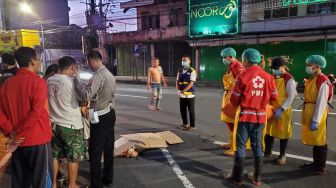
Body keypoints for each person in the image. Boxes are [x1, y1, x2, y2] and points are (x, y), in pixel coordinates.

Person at [0, 47, 53, 188]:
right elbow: (35, 113)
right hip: (37, 139)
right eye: (38, 58)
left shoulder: (7, 84)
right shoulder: (37, 82)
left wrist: (11, 132)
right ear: (32, 61)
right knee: (41, 182)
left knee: (20, 181)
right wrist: (18, 135)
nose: (40, 61)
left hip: (17, 142)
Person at [226, 48, 278, 186]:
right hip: (261, 117)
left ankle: (237, 178)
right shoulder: (268, 77)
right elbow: (274, 97)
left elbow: (234, 100)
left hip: (245, 117)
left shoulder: (242, 77)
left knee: (241, 146)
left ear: (245, 60)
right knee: (257, 147)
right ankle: (257, 178)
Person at [76, 50, 116, 188]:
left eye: (89, 62)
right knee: (108, 147)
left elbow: (86, 95)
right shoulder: (110, 74)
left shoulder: (98, 75)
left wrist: (78, 82)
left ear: (92, 60)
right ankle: (108, 177)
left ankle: (96, 183)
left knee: (95, 150)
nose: (89, 65)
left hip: (100, 116)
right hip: (110, 113)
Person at [47, 56, 85, 188]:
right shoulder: (72, 82)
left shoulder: (49, 80)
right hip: (71, 125)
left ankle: (53, 184)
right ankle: (72, 185)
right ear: (72, 67)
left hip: (54, 125)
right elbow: (84, 98)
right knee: (73, 157)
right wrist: (78, 76)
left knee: (55, 156)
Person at [300, 55, 333, 175]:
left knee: (320, 141)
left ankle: (320, 166)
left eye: (310, 65)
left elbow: (322, 102)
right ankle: (316, 163)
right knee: (316, 140)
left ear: (318, 66)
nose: (307, 67)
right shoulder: (314, 79)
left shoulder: (322, 80)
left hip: (317, 113)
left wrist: (316, 119)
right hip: (311, 111)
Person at [264, 57, 297, 165]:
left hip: (283, 110)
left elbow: (291, 97)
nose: (274, 70)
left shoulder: (289, 79)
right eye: (273, 69)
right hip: (271, 109)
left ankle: (282, 155)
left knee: (284, 133)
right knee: (269, 131)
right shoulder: (272, 77)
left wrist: (281, 109)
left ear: (283, 67)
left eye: (276, 68)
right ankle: (267, 152)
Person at [220, 47, 245, 156]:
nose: (223, 59)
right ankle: (231, 142)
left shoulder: (238, 67)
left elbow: (240, 85)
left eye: (225, 57)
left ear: (231, 56)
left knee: (234, 123)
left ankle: (234, 147)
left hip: (233, 96)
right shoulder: (231, 66)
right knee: (228, 121)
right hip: (228, 94)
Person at [176, 55, 196, 131]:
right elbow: (177, 81)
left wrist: (183, 91)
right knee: (182, 110)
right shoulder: (180, 71)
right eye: (182, 60)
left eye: (185, 60)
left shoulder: (192, 71)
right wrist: (178, 90)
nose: (183, 62)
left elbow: (191, 83)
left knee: (191, 111)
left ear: (189, 61)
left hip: (190, 95)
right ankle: (185, 124)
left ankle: (192, 126)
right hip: (182, 95)